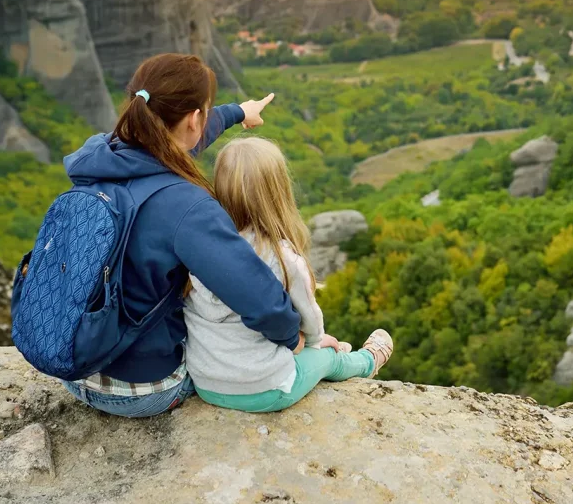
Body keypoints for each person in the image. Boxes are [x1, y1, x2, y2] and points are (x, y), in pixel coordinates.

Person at [60, 53, 301, 417]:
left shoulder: (101, 157)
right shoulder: (187, 207)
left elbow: (168, 147)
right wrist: (294, 339)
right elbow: (259, 299)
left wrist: (237, 112)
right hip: (142, 391)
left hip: (74, 369)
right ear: (193, 119)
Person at [185, 137, 393, 412]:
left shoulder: (202, 246)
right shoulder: (283, 258)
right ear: (279, 193)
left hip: (206, 382)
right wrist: (319, 342)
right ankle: (367, 361)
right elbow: (309, 317)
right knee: (330, 358)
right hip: (265, 388)